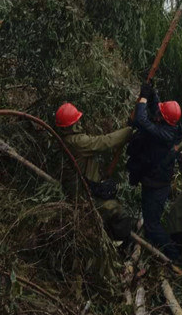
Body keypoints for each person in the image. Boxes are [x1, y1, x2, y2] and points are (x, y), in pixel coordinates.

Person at [55, 102, 133, 245]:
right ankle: (118, 246)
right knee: (119, 214)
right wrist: (129, 131)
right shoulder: (76, 142)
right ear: (73, 124)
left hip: (83, 187)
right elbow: (104, 142)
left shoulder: (62, 139)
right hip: (82, 194)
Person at [132, 82, 182, 261]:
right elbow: (156, 110)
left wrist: (143, 99)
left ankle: (174, 257)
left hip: (157, 186)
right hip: (152, 181)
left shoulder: (165, 134)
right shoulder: (168, 125)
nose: (158, 114)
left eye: (161, 113)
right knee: (148, 217)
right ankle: (152, 245)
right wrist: (152, 94)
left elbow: (142, 121)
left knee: (152, 225)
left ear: (164, 118)